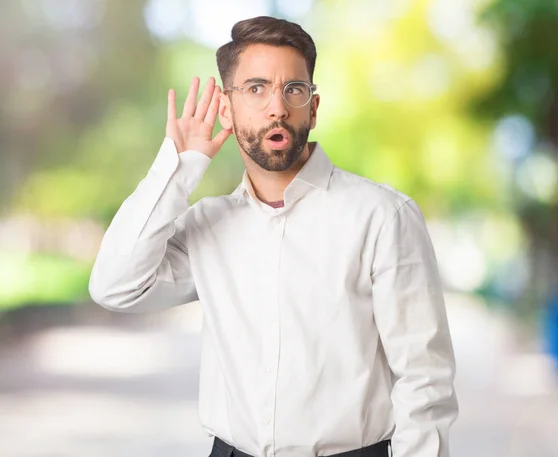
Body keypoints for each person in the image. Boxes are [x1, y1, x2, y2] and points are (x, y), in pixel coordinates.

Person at [89, 15, 458, 457]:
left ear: (313, 109)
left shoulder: (382, 216)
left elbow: (425, 380)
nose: (277, 107)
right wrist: (179, 168)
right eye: (256, 88)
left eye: (293, 90)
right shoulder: (208, 225)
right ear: (226, 109)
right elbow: (114, 285)